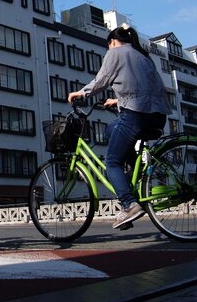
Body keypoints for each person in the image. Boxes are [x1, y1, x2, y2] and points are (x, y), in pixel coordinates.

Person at [67, 24, 171, 230]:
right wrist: (117, 101)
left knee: (112, 162)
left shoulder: (115, 53)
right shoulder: (143, 55)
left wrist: (82, 93)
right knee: (111, 129)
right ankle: (135, 171)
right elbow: (146, 87)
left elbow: (102, 79)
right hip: (158, 116)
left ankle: (128, 203)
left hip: (136, 115)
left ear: (112, 42)